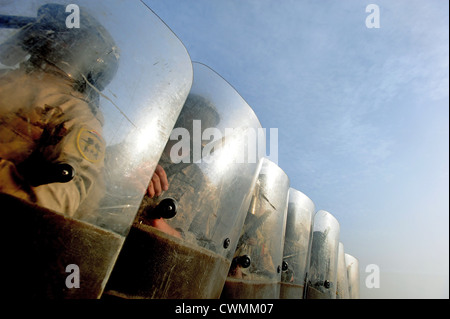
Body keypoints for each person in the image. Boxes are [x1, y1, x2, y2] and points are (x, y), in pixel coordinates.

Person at [0, 4, 119, 219]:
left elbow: (53, 203)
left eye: (59, 34)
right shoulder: (6, 80)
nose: (44, 36)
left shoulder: (77, 115)